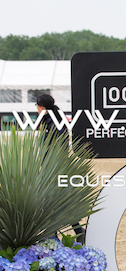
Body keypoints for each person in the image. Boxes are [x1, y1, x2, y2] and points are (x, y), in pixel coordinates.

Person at [36, 94, 86, 244]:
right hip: (52, 167)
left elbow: (58, 145)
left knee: (53, 202)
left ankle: (57, 234)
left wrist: (50, 165)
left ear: (42, 107)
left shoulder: (53, 122)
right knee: (56, 202)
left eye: (37, 106)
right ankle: (77, 231)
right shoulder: (51, 120)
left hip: (54, 168)